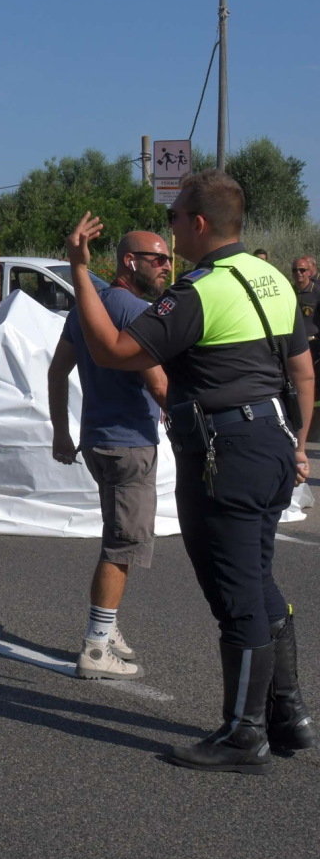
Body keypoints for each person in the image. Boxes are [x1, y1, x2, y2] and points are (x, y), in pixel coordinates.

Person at [66, 169, 316, 775]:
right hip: (272, 441)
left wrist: (79, 268)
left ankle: (243, 736)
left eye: (176, 216)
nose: (172, 227)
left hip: (225, 454)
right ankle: (289, 716)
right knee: (259, 580)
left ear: (198, 224)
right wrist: (300, 442)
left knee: (237, 596)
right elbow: (303, 371)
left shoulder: (199, 291)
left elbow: (111, 352)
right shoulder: (272, 279)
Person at [48, 232, 170, 680]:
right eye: (158, 259)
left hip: (98, 440)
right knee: (122, 547)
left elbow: (57, 370)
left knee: (117, 537)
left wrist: (62, 433)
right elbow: (158, 383)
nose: (166, 267)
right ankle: (96, 648)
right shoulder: (137, 311)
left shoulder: (88, 306)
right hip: (130, 446)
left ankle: (109, 625)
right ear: (130, 261)